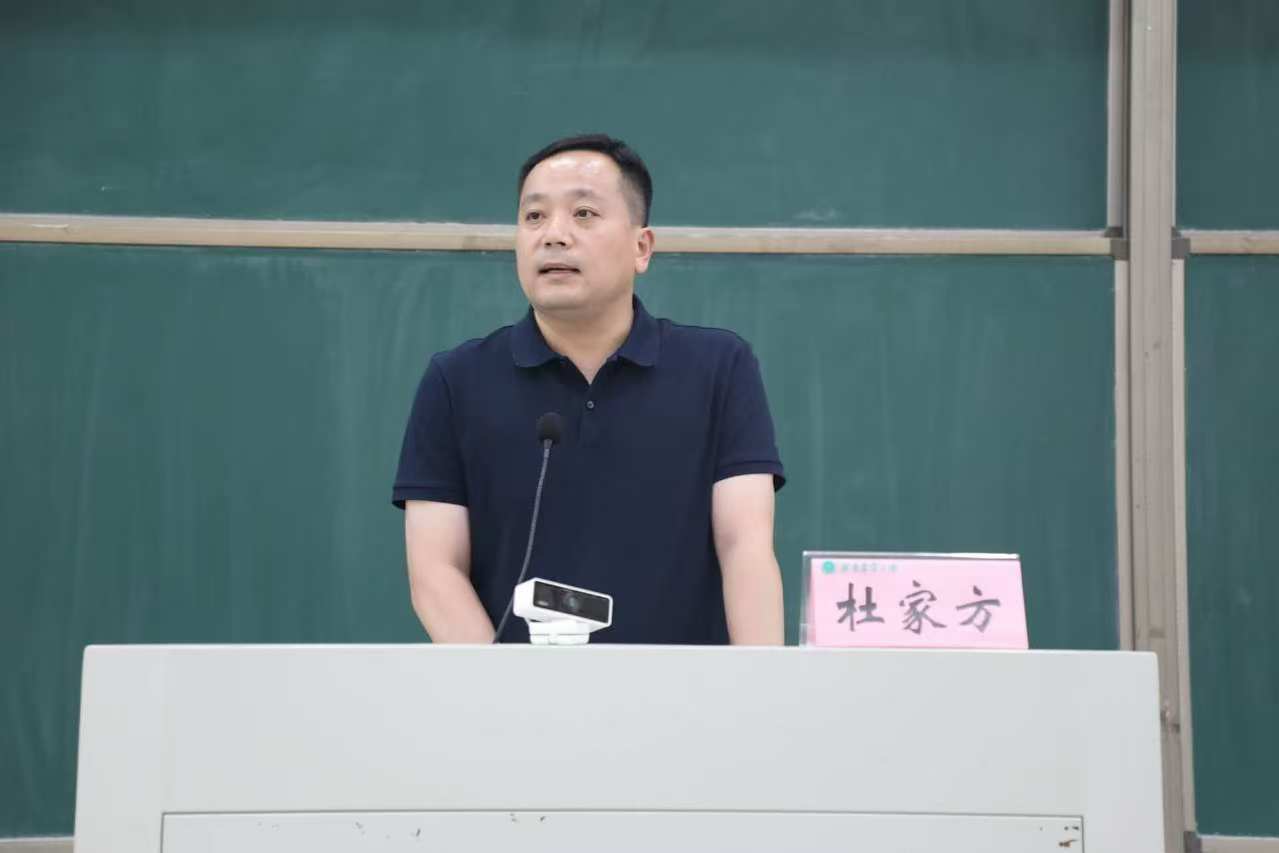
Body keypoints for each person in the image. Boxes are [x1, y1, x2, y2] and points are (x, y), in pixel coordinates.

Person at [392, 133, 785, 644]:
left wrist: (760, 684)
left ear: (641, 247)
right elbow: (435, 572)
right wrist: (504, 686)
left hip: (688, 690)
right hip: (516, 690)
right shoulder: (456, 380)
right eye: (534, 216)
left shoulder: (719, 368)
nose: (553, 235)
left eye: (583, 214)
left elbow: (745, 548)